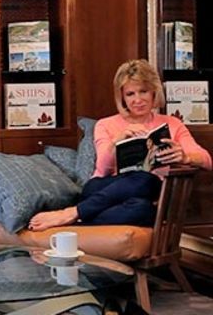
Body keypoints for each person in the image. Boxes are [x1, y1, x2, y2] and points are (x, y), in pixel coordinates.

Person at [29, 59, 212, 231]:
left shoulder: (172, 124)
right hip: (101, 188)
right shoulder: (105, 124)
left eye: (143, 91)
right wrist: (117, 141)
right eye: (130, 94)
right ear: (122, 97)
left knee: (143, 207)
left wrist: (185, 157)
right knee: (144, 179)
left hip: (144, 193)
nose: (137, 100)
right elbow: (103, 168)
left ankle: (80, 218)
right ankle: (73, 212)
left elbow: (206, 160)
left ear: (154, 92)